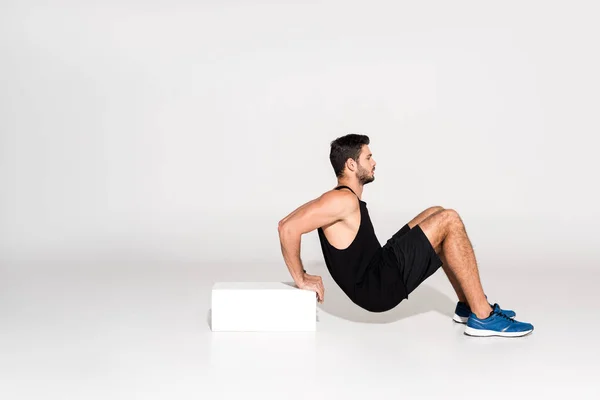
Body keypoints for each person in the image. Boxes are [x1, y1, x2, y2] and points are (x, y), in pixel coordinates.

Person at [277, 134, 534, 337]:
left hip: (379, 265)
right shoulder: (340, 199)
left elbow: (289, 223)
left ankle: (468, 304)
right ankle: (484, 316)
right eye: (368, 157)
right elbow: (287, 227)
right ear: (352, 164)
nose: (374, 162)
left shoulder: (340, 198)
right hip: (377, 287)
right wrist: (300, 277)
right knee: (450, 219)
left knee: (437, 212)